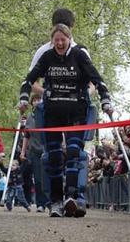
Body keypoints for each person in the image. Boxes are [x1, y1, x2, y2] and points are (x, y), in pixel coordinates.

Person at [19, 23, 113, 218]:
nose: (60, 43)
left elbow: (97, 79)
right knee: (53, 157)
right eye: (56, 40)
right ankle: (56, 201)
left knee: (73, 153)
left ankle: (71, 196)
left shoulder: (79, 55)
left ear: (69, 39)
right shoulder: (47, 57)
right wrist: (23, 99)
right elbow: (28, 80)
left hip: (76, 112)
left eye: (63, 39)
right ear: (52, 41)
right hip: (52, 113)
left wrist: (105, 100)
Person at [20, 93, 51, 212]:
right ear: (32, 103)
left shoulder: (47, 116)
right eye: (35, 100)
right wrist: (23, 152)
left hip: (47, 150)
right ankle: (40, 203)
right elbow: (26, 137)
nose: (37, 102)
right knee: (38, 179)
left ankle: (50, 201)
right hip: (34, 151)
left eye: (39, 100)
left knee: (47, 177)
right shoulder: (29, 119)